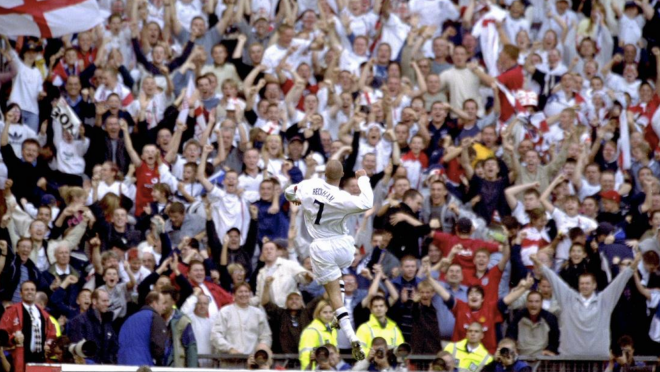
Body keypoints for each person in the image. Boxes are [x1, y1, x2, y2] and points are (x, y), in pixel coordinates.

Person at [285, 159, 374, 360]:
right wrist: (363, 180)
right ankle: (338, 314)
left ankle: (352, 337)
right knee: (339, 277)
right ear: (341, 177)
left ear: (324, 173)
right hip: (344, 246)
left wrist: (296, 199)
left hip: (322, 245)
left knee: (332, 292)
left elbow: (289, 191)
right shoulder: (342, 197)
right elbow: (367, 203)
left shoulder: (308, 186)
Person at [530, 252, 642, 356]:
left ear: (594, 285)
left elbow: (619, 282)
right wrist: (538, 263)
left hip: (597, 358)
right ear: (578, 286)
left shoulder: (604, 300)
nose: (584, 286)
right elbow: (553, 278)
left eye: (588, 283)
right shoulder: (568, 298)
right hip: (571, 358)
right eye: (582, 283)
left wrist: (632, 267)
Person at [0, 281, 57, 372]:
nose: (29, 292)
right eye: (26, 290)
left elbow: (52, 334)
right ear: (21, 293)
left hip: (40, 358)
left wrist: (48, 345)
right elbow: (2, 333)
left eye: (32, 289)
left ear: (35, 292)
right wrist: (14, 339)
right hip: (19, 357)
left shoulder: (44, 314)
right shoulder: (11, 311)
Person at [210, 283, 272, 356]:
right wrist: (230, 349)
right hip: (229, 360)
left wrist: (262, 349)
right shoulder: (225, 312)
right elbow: (215, 335)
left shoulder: (258, 313)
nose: (244, 294)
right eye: (240, 292)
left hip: (252, 361)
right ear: (234, 295)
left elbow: (266, 335)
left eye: (246, 292)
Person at [67, 288, 119, 364]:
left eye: (108, 301)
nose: (107, 304)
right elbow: (78, 348)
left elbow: (114, 346)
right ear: (94, 301)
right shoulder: (79, 321)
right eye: (104, 301)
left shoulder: (107, 321)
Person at [117, 291, 168, 366]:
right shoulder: (155, 317)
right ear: (154, 303)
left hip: (123, 363)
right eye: (163, 303)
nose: (165, 307)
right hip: (143, 365)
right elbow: (159, 348)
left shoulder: (128, 319)